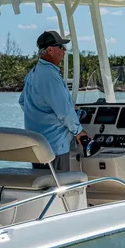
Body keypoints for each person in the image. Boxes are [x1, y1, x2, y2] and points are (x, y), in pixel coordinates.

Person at [19, 30, 90, 171]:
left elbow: (23, 102)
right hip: (55, 146)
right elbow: (65, 112)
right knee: (58, 188)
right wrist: (79, 132)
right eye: (61, 47)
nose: (64, 51)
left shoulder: (33, 73)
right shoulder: (51, 77)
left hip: (37, 144)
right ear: (50, 50)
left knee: (43, 185)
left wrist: (41, 117)